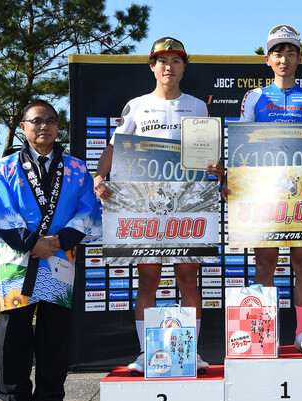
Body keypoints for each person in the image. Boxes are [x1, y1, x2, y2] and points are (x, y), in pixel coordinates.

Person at [94, 37, 223, 375]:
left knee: (188, 280)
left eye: (176, 61)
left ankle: (191, 351)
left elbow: (209, 156)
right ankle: (144, 351)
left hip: (187, 202)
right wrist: (100, 175)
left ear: (184, 67)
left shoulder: (198, 106)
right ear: (152, 67)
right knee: (148, 279)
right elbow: (114, 147)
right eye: (162, 61)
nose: (169, 67)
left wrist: (217, 169)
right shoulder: (136, 105)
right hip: (145, 203)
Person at [0, 100, 102, 401]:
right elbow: (0, 211)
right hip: (17, 261)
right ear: (23, 127)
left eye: (50, 120)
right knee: (13, 336)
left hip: (59, 259)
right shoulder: (3, 168)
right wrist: (32, 242)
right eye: (36, 121)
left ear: (58, 127)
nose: (44, 126)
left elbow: (88, 210)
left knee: (55, 336)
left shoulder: (77, 168)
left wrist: (60, 240)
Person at [232, 24, 302, 353]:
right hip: (264, 193)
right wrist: (235, 184)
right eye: (277, 53)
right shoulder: (254, 97)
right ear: (267, 60)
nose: (283, 59)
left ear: (299, 58)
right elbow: (241, 147)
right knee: (265, 264)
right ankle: (263, 334)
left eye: (290, 53)